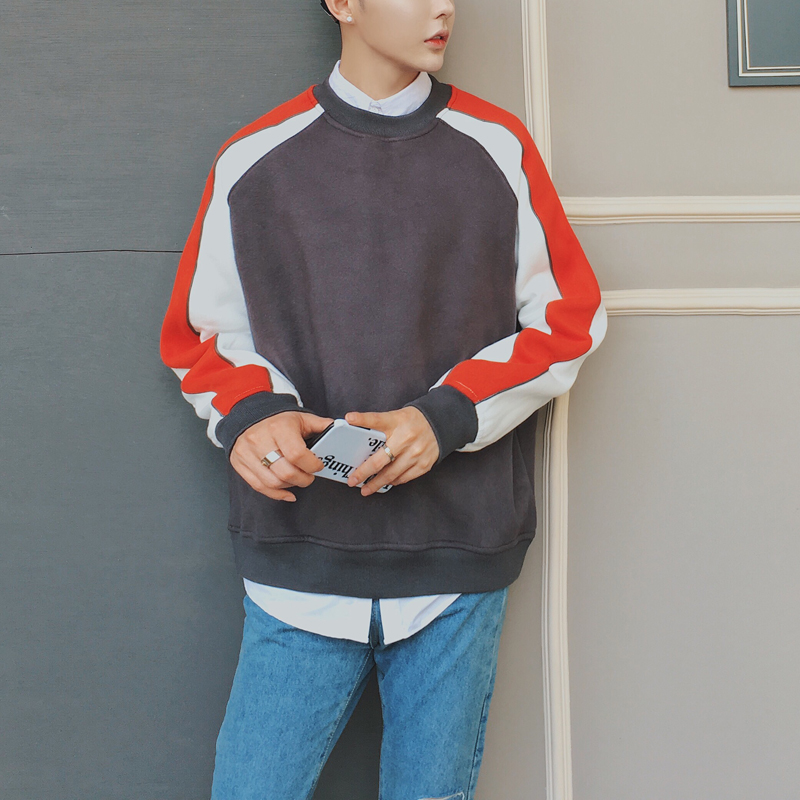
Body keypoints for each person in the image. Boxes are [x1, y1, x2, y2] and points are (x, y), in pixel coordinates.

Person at [159, 0, 608, 797]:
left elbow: (569, 320)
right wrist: (253, 418)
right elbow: (202, 334)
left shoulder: (498, 146)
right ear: (343, 3)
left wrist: (445, 418)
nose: (443, 7)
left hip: (456, 561)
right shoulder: (253, 156)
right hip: (298, 558)